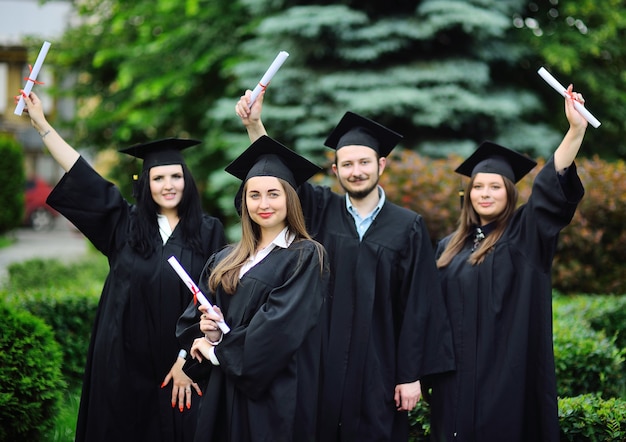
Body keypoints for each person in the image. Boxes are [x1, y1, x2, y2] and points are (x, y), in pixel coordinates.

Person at [235, 92, 455, 441]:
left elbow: (418, 304)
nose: (357, 171)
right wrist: (254, 124)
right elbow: (276, 174)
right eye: (348, 164)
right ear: (336, 170)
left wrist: (410, 374)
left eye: (364, 162)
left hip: (379, 364)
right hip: (320, 357)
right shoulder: (320, 207)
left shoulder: (408, 225)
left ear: (381, 165)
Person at [19, 91, 226, 442]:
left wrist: (186, 361)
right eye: (158, 178)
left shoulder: (208, 231)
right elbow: (80, 173)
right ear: (146, 184)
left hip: (180, 365)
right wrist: (41, 124)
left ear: (186, 181)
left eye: (175, 177)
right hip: (122, 363)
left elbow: (211, 300)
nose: (168, 185)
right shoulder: (123, 224)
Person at [429, 85, 588, 441]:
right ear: (468, 194)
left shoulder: (524, 237)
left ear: (510, 193)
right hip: (452, 385)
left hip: (507, 382)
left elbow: (550, 192)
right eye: (478, 186)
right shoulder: (446, 249)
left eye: (495, 186)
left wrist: (574, 131)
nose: (485, 193)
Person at [176, 135, 329, 442]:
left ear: (290, 198)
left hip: (273, 393)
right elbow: (196, 325)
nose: (263, 204)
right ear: (244, 201)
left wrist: (217, 350)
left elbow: (279, 329)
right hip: (224, 389)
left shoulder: (304, 255)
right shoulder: (226, 259)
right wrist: (211, 333)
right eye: (254, 195)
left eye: (273, 194)